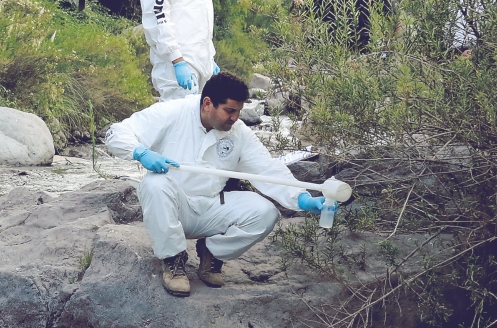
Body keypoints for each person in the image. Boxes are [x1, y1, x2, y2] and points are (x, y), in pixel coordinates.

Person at [105, 72, 329, 297]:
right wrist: (141, 152)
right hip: (171, 206)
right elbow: (117, 132)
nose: (235, 118)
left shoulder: (239, 132)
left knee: (265, 213)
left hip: (212, 208)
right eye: (230, 111)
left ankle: (211, 252)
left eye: (239, 111)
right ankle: (173, 260)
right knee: (154, 183)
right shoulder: (172, 112)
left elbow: (267, 170)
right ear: (207, 103)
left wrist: (302, 198)